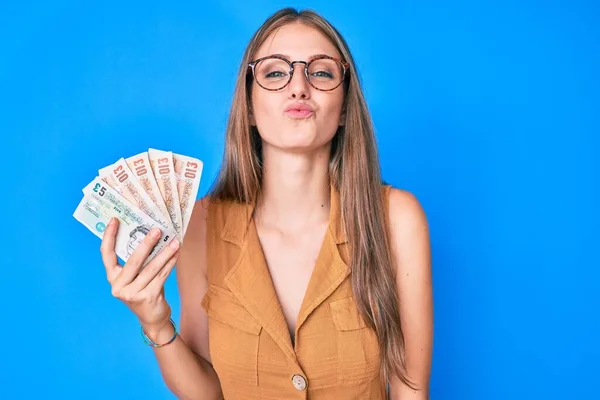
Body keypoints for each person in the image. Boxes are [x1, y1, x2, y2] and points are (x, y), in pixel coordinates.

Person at [100, 7, 433, 400]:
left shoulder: (396, 218)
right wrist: (156, 323)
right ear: (250, 106)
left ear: (344, 107)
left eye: (321, 72)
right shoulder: (202, 223)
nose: (298, 87)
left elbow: (411, 390)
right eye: (276, 73)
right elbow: (208, 393)